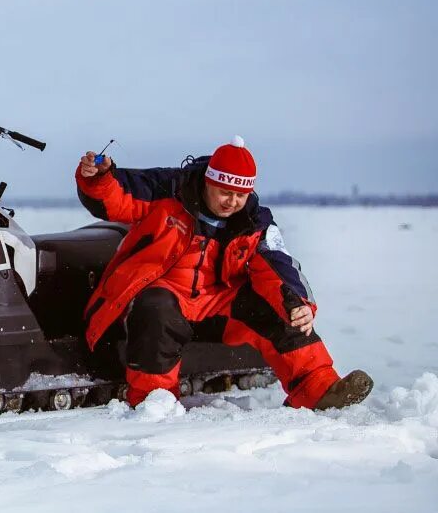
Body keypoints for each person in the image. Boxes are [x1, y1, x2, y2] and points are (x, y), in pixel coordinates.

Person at [76, 136, 372, 410]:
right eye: (225, 192)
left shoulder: (254, 220)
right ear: (209, 181)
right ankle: (155, 404)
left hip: (217, 303)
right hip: (164, 293)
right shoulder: (168, 189)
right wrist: (98, 177)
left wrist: (297, 302)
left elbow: (277, 263)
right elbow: (118, 195)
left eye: (241, 195)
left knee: (284, 310)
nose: (232, 202)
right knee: (156, 306)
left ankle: (319, 389)